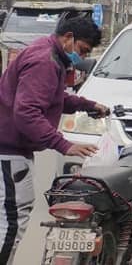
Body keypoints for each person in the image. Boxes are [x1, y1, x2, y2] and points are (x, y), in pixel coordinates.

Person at [0, 17, 109, 263]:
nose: (80, 57)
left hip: (10, 151)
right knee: (12, 221)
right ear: (68, 37)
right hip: (9, 153)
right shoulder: (44, 62)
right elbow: (27, 112)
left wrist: (86, 105)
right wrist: (64, 144)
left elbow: (51, 97)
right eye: (81, 50)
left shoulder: (47, 52)